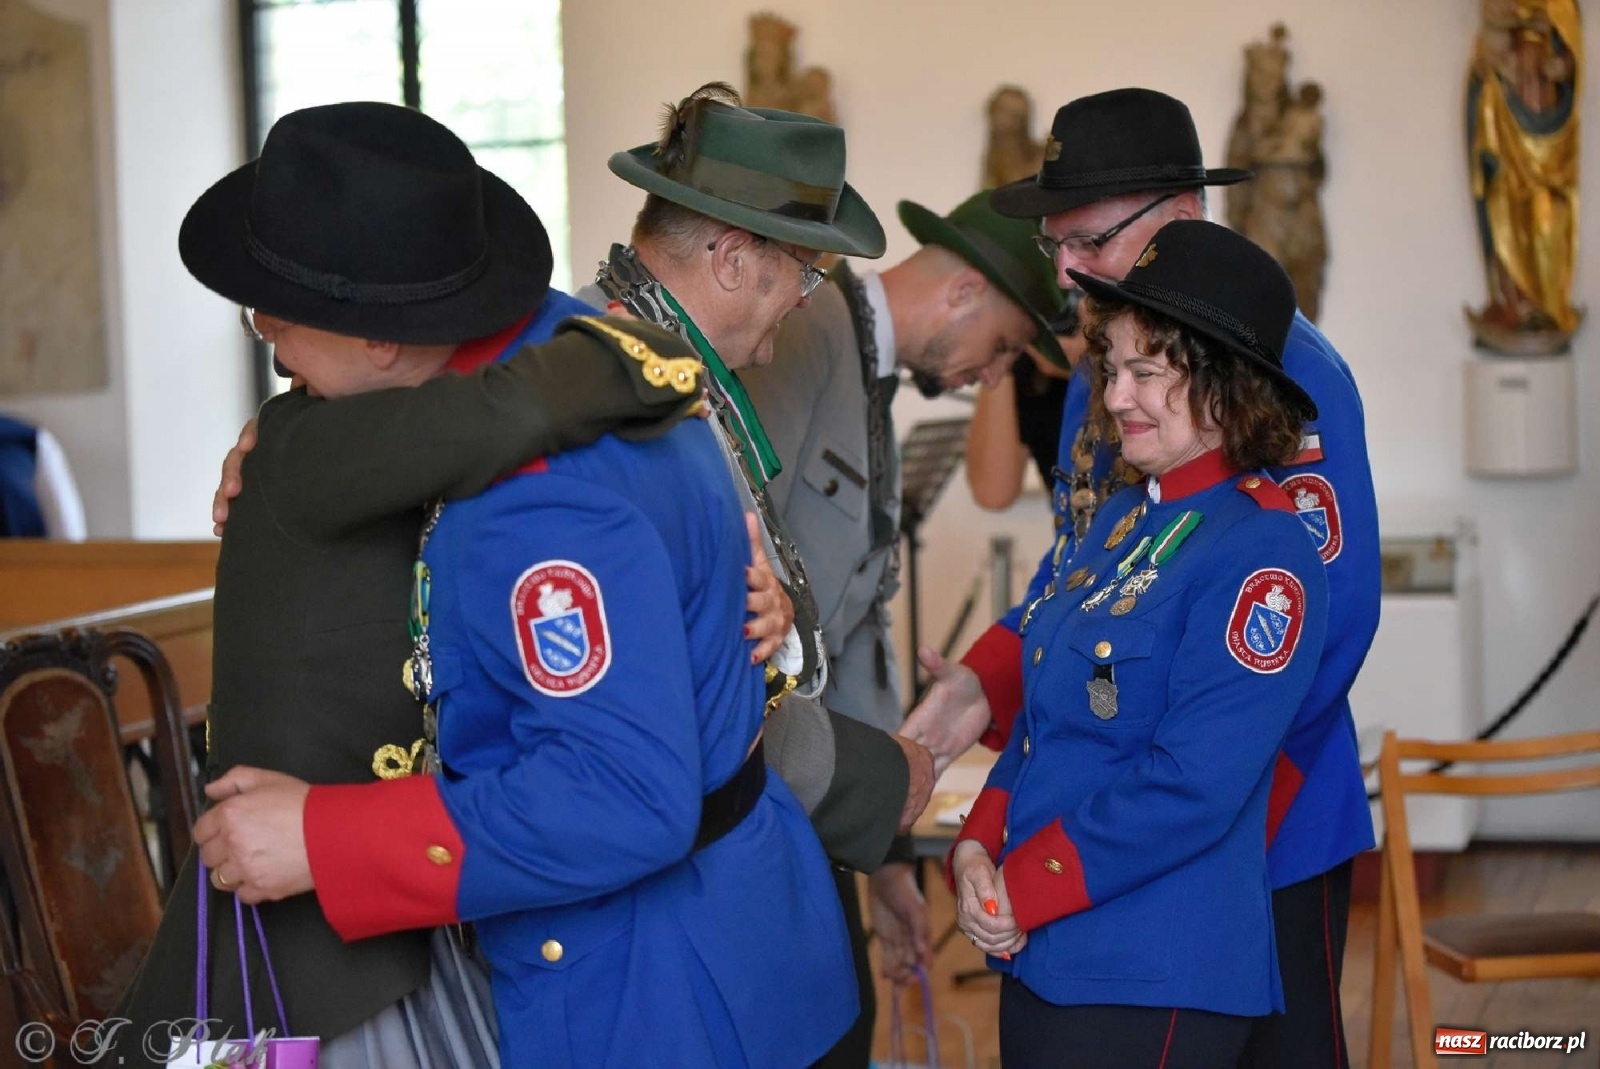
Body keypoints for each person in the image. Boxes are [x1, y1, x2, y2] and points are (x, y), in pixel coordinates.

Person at [188, 96, 877, 1069]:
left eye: (276, 315)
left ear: (382, 339)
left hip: (659, 998)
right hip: (745, 947)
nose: (265, 332)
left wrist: (320, 837)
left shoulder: (537, 503)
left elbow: (621, 799)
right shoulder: (571, 353)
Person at [905, 87, 1380, 1069]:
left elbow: (1322, 622)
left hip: (1256, 819)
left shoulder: (1276, 368)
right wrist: (988, 682)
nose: (1067, 270)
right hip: (1104, 825)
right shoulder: (1104, 370)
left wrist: (1200, 794)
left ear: (1183, 219)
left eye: (1089, 238)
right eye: (1055, 245)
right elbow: (1089, 561)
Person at [951, 218, 1329, 1067]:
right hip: (1045, 946)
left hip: (1154, 969)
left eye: (1146, 373)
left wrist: (1024, 879)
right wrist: (979, 842)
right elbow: (1047, 709)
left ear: (1229, 391)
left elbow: (1191, 785)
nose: (1116, 396)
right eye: (1111, 369)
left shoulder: (1263, 552)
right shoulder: (1124, 517)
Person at [736, 188, 1063, 1062]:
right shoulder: (803, 334)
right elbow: (741, 565)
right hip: (752, 791)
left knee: (845, 1027)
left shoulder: (864, 366)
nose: (994, 376)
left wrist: (884, 863)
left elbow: (849, 628)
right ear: (962, 292)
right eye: (1002, 348)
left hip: (815, 799)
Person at [584, 86, 936, 875]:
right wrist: (871, 778)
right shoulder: (610, 390)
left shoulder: (663, 365)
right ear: (736, 258)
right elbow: (681, 677)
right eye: (805, 274)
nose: (807, 304)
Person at [964, 298, 1080, 511]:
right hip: (1076, 535)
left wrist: (1094, 369)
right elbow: (993, 494)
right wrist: (1001, 347)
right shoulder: (1028, 365)